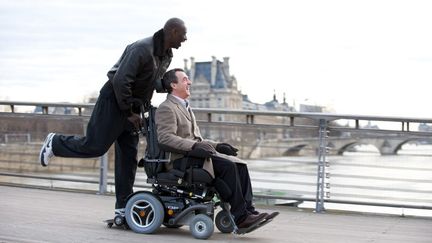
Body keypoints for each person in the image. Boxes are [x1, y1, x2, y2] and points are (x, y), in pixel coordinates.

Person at [39, 18, 188, 217]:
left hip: (132, 107)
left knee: (128, 157)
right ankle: (55, 143)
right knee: (95, 146)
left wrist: (170, 87)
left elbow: (149, 80)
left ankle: (123, 207)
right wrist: (129, 113)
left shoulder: (165, 54)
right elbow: (120, 81)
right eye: (183, 34)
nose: (185, 39)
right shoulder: (142, 49)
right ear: (173, 31)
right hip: (114, 102)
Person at [155, 68, 278, 230]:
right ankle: (240, 217)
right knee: (228, 167)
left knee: (240, 165)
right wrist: (194, 146)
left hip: (194, 156)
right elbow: (165, 138)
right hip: (180, 161)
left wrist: (218, 146)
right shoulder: (167, 107)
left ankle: (249, 212)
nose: (189, 82)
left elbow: (197, 138)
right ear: (173, 85)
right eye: (185, 80)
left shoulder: (185, 107)